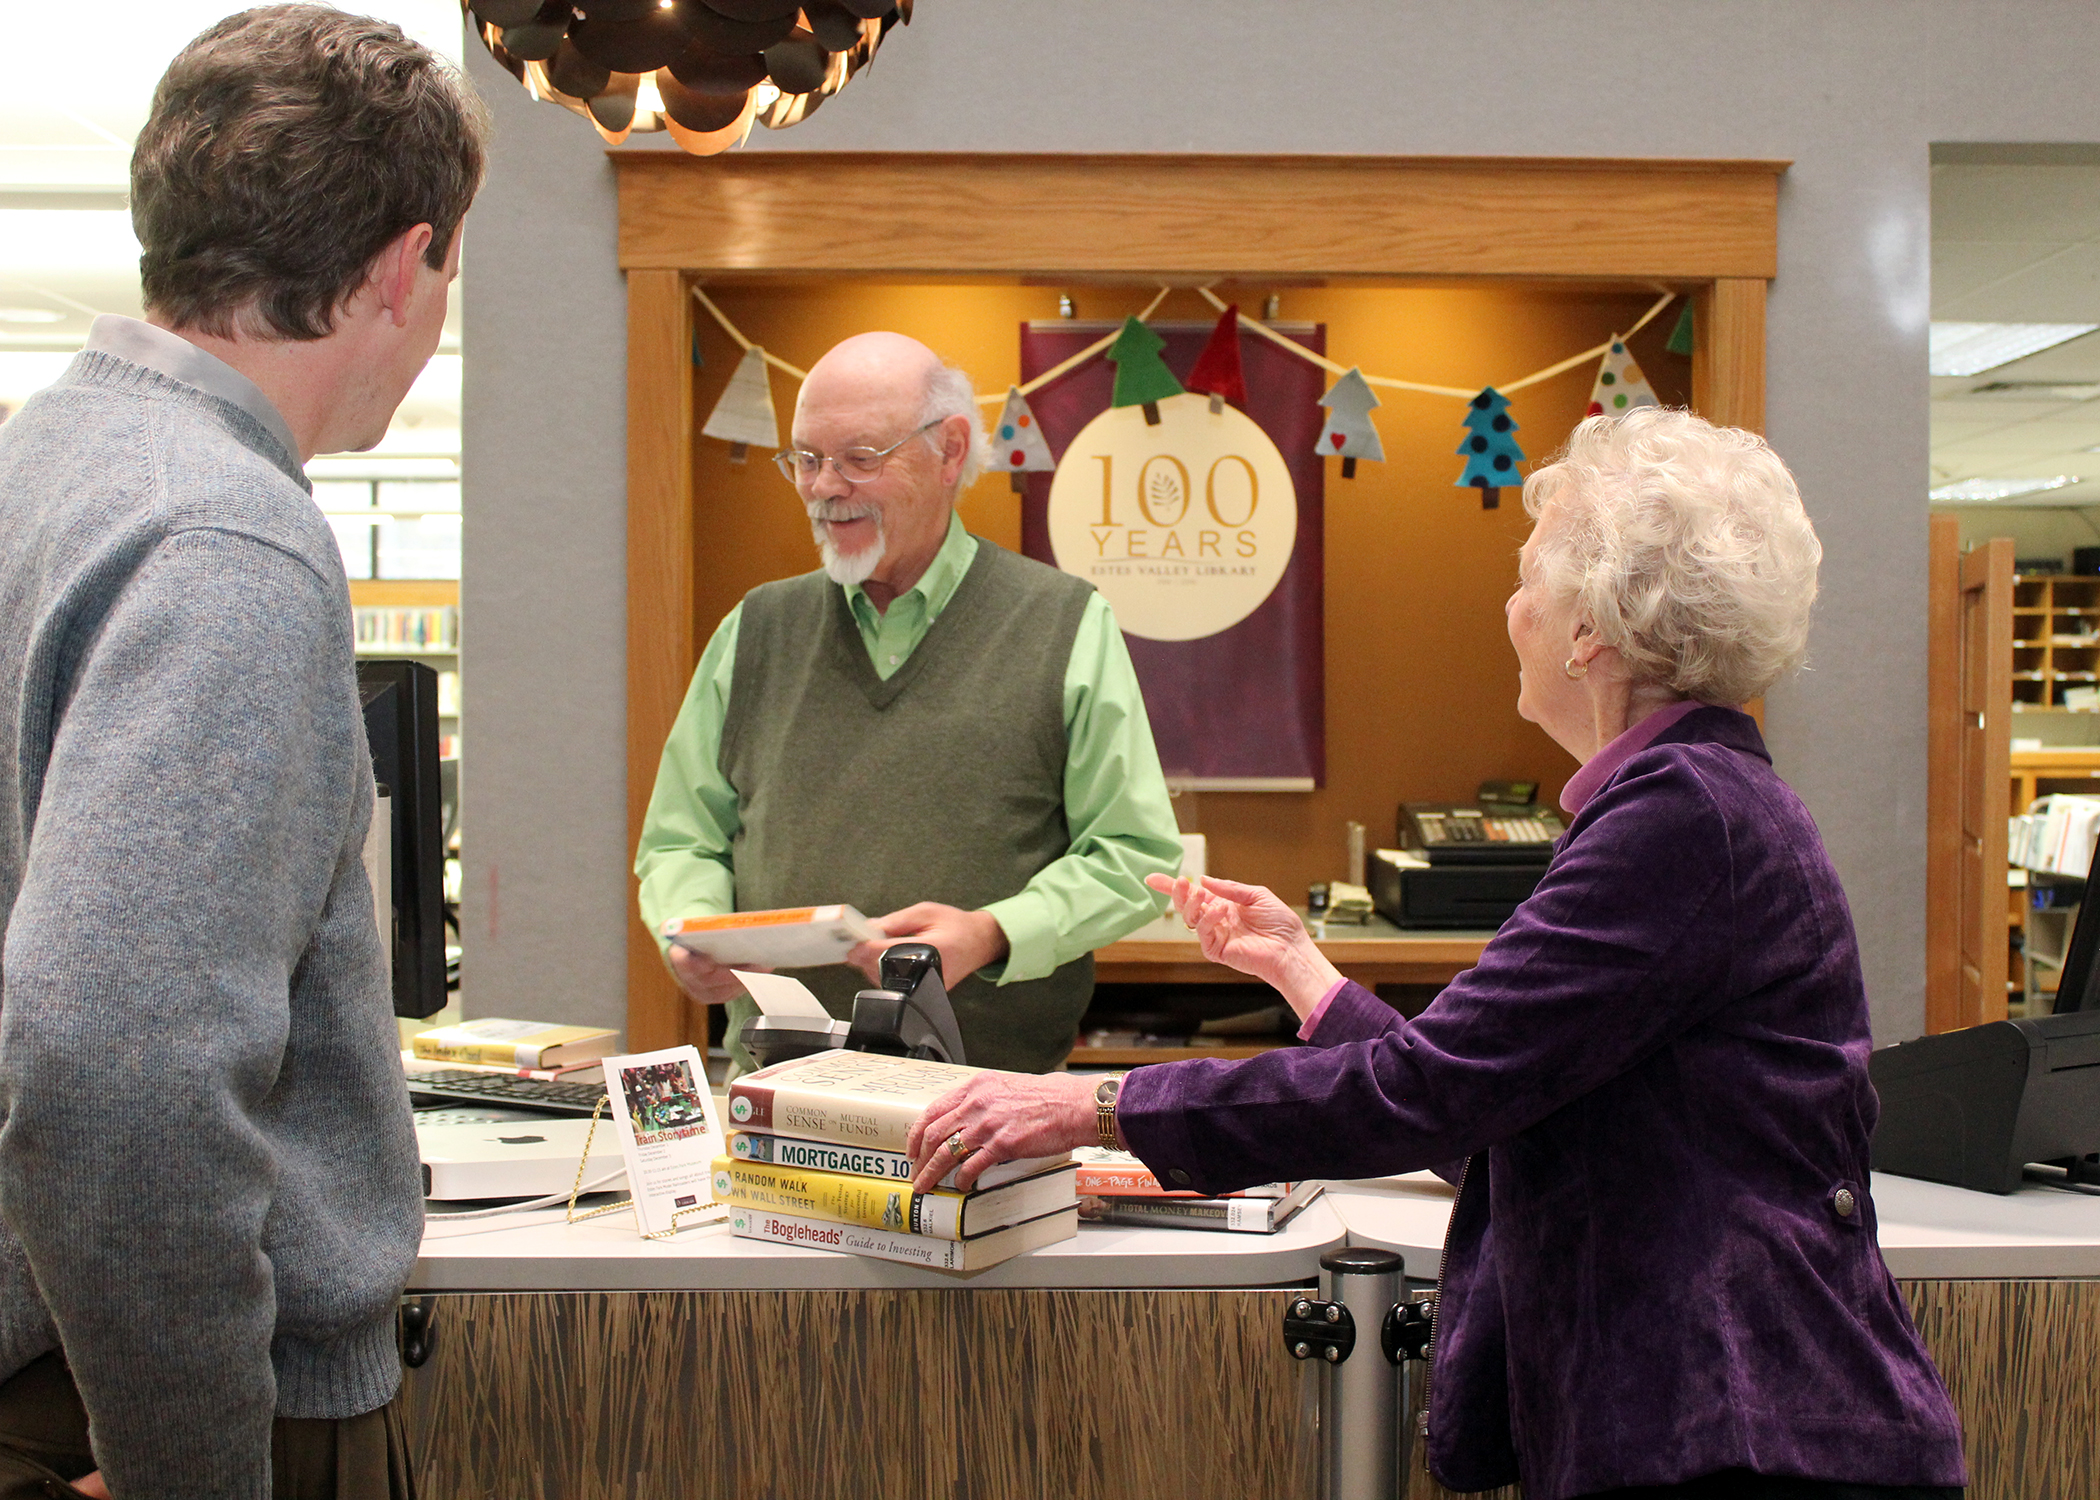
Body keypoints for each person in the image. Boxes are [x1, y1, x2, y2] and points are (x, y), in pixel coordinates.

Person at [905, 408, 1968, 1500]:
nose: (1510, 609)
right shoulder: (1697, 801)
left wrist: (1096, 1109)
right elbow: (1517, 1102)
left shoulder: (1680, 821)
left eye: (1527, 579)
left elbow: (1440, 1091)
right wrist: (1304, 975)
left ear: (1592, 630)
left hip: (1744, 1436)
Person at [0, 9, 486, 1498]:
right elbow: (113, 1068)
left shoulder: (45, 460)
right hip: (129, 1400)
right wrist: (186, 1469)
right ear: (407, 267)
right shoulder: (228, 542)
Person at [635, 332, 1183, 1074]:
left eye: (860, 458)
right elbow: (681, 840)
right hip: (777, 1095)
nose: (823, 487)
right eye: (805, 458)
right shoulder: (755, 629)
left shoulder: (1063, 623)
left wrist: (992, 931)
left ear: (950, 450)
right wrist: (692, 930)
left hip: (990, 1109)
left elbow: (1135, 856)